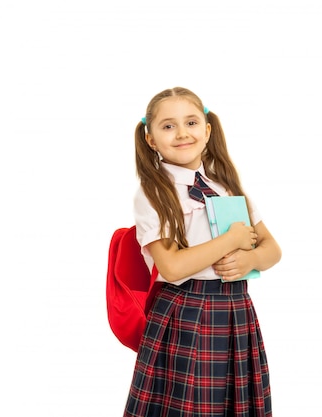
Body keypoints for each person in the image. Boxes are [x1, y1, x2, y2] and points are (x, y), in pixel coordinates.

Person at [123, 87, 282, 417]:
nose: (182, 133)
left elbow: (272, 250)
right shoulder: (154, 192)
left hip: (236, 308)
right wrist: (231, 240)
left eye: (191, 122)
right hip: (185, 313)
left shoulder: (227, 187)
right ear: (150, 138)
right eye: (168, 126)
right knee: (186, 406)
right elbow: (172, 268)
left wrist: (250, 258)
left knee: (230, 404)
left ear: (207, 130)